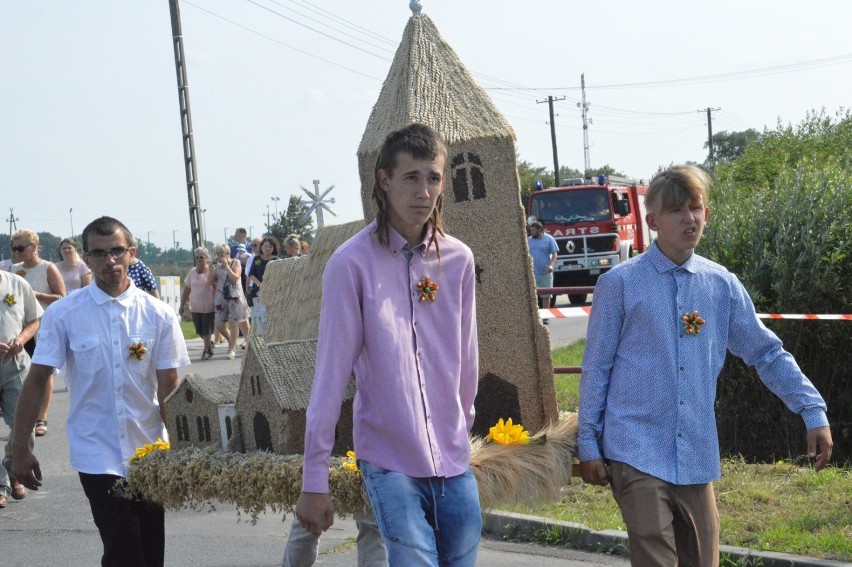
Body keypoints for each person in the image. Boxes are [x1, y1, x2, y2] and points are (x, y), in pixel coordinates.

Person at [577, 164, 833, 567]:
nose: (689, 218)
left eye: (695, 208)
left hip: (695, 450)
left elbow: (765, 352)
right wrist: (589, 442)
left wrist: (811, 409)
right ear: (653, 220)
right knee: (654, 553)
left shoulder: (721, 285)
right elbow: (597, 367)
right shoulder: (620, 284)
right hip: (634, 447)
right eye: (676, 210)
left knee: (702, 559)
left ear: (707, 214)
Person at [296, 123, 481, 566]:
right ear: (384, 180)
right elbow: (330, 375)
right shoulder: (350, 265)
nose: (424, 190)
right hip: (390, 460)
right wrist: (314, 476)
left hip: (453, 459)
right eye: (411, 177)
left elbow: (467, 360)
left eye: (433, 177)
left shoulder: (458, 259)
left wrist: (464, 432)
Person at [12, 216, 190, 567]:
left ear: (131, 254)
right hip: (96, 450)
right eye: (99, 253)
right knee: (123, 544)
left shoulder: (158, 315)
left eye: (117, 252)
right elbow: (36, 379)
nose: (109, 261)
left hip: (150, 449)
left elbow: (170, 388)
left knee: (151, 550)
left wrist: (185, 453)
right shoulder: (65, 314)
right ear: (87, 258)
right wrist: (19, 448)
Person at [10, 229, 67, 436]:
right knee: (17, 373)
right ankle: (19, 416)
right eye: (13, 248)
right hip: (18, 329)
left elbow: (62, 297)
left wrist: (35, 294)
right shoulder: (13, 269)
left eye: (20, 247)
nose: (16, 252)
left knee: (43, 372)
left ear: (34, 248)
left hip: (42, 327)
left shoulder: (47, 268)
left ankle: (41, 418)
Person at [0, 271, 42, 508]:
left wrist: (22, 339)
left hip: (15, 365)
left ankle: (14, 471)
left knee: (24, 423)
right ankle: (0, 484)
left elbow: (33, 319)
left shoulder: (17, 282)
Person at [208, 243, 250, 360]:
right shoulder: (218, 266)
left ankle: (232, 349)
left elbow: (235, 278)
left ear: (228, 254)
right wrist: (212, 269)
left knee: (234, 322)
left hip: (234, 296)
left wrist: (227, 267)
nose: (221, 257)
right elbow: (209, 282)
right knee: (219, 324)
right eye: (218, 254)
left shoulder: (235, 262)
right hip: (221, 297)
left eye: (223, 254)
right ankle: (234, 341)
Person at [179, 247, 216, 360]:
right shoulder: (192, 271)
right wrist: (182, 304)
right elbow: (187, 289)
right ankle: (209, 344)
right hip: (195, 306)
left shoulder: (211, 271)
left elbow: (217, 287)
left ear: (207, 258)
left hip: (209, 305)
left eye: (202, 257)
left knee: (207, 329)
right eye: (197, 257)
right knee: (199, 330)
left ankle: (206, 351)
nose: (199, 259)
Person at [246, 236, 279, 339]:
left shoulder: (276, 260)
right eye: (265, 246)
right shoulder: (256, 259)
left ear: (273, 248)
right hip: (258, 291)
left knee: (271, 316)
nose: (267, 248)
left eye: (270, 246)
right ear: (261, 247)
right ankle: (259, 337)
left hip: (272, 291)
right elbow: (251, 274)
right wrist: (260, 284)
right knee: (258, 316)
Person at [527, 220, 558, 321]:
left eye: (533, 230)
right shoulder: (528, 240)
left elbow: (554, 254)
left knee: (546, 295)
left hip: (545, 272)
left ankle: (545, 316)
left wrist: (551, 266)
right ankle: (534, 317)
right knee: (532, 294)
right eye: (530, 230)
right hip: (532, 272)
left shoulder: (549, 239)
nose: (531, 232)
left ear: (540, 230)